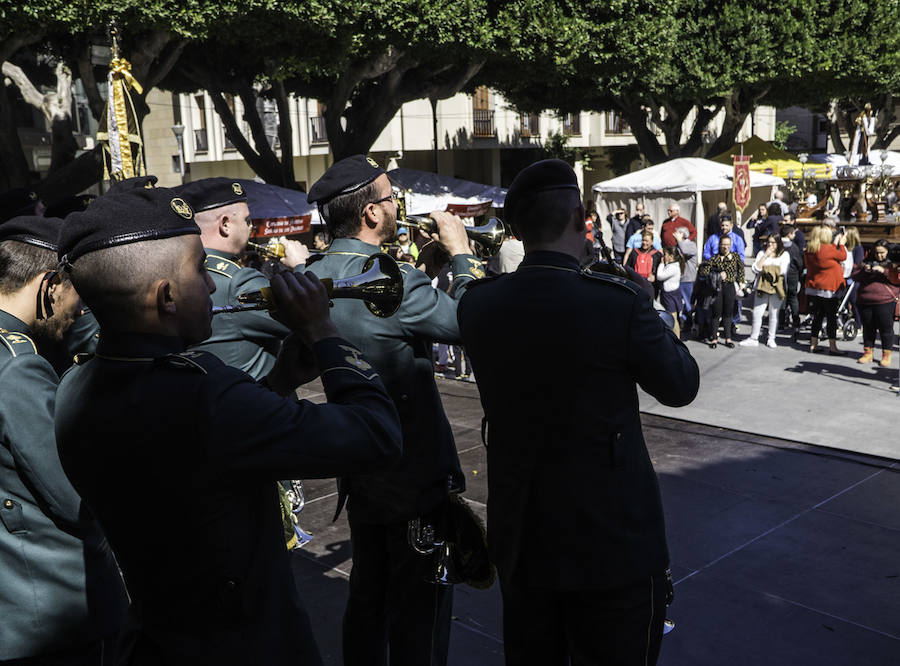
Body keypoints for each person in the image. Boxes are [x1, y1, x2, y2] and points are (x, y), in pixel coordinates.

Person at [54, 186, 403, 664]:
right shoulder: (202, 393)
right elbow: (377, 435)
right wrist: (324, 333)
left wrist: (280, 381)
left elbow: (200, 465)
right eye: (200, 270)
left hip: (156, 641)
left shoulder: (75, 386)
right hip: (246, 644)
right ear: (167, 297)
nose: (214, 284)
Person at [456, 158, 699, 666]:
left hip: (525, 542)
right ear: (580, 218)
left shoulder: (479, 305)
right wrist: (645, 302)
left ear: (517, 228)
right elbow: (681, 385)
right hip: (611, 544)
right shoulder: (618, 302)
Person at [304, 155, 478, 666]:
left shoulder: (312, 276)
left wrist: (424, 272)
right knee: (418, 619)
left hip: (362, 475)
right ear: (371, 216)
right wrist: (463, 255)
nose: (395, 203)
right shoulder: (394, 279)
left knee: (368, 603)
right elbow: (472, 322)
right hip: (415, 480)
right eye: (388, 196)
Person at [0, 216, 127, 664]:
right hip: (50, 612)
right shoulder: (18, 364)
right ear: (51, 285)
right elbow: (76, 498)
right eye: (79, 294)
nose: (78, 310)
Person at [175, 178, 310, 379]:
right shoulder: (237, 282)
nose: (251, 227)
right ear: (225, 224)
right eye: (247, 220)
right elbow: (312, 318)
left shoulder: (176, 270)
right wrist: (302, 266)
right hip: (256, 404)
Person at [852, 240, 900, 367]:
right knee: (868, 327)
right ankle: (868, 352)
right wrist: (864, 270)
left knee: (886, 328)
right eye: (877, 253)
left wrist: (884, 271)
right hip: (865, 300)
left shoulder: (894, 264)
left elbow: (896, 279)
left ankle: (886, 354)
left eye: (882, 253)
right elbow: (854, 275)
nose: (879, 256)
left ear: (888, 251)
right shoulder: (867, 261)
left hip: (885, 301)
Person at [740, 234, 790, 348]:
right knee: (758, 312)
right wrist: (765, 257)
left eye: (773, 242)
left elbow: (782, 270)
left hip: (776, 287)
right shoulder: (762, 253)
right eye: (769, 242)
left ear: (778, 243)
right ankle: (754, 337)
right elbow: (755, 268)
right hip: (761, 287)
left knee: (773, 313)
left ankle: (771, 338)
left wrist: (765, 269)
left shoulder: (784, 255)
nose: (770, 245)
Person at [805, 224, 848, 354]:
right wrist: (841, 244)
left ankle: (813, 344)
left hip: (815, 286)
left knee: (817, 316)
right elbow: (842, 256)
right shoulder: (827, 249)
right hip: (829, 287)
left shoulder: (810, 249)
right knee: (831, 317)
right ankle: (832, 346)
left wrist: (835, 244)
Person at [699, 235, 744, 348]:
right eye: (723, 244)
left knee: (728, 313)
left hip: (729, 287)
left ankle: (728, 338)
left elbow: (741, 269)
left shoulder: (735, 256)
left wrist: (741, 282)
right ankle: (714, 338)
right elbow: (704, 272)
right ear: (719, 245)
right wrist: (717, 275)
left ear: (730, 245)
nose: (725, 247)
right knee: (716, 312)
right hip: (717, 288)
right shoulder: (714, 258)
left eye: (727, 245)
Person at [779, 224, 805, 340]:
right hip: (792, 274)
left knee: (781, 297)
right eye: (793, 233)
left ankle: (780, 322)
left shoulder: (777, 244)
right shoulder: (793, 247)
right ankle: (796, 323)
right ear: (789, 234)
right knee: (793, 297)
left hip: (779, 274)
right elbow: (799, 263)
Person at [674, 226, 698, 334]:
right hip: (678, 278)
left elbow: (684, 251)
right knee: (680, 303)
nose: (675, 234)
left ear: (683, 235)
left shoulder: (691, 245)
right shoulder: (678, 245)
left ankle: (691, 323)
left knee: (688, 303)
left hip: (688, 279)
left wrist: (679, 240)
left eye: (677, 233)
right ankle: (684, 323)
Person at [657, 245, 685, 338]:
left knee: (673, 318)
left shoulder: (673, 268)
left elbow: (660, 276)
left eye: (665, 255)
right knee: (673, 317)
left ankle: (677, 338)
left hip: (670, 294)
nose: (663, 257)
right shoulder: (672, 265)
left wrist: (661, 264)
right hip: (671, 293)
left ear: (671, 256)